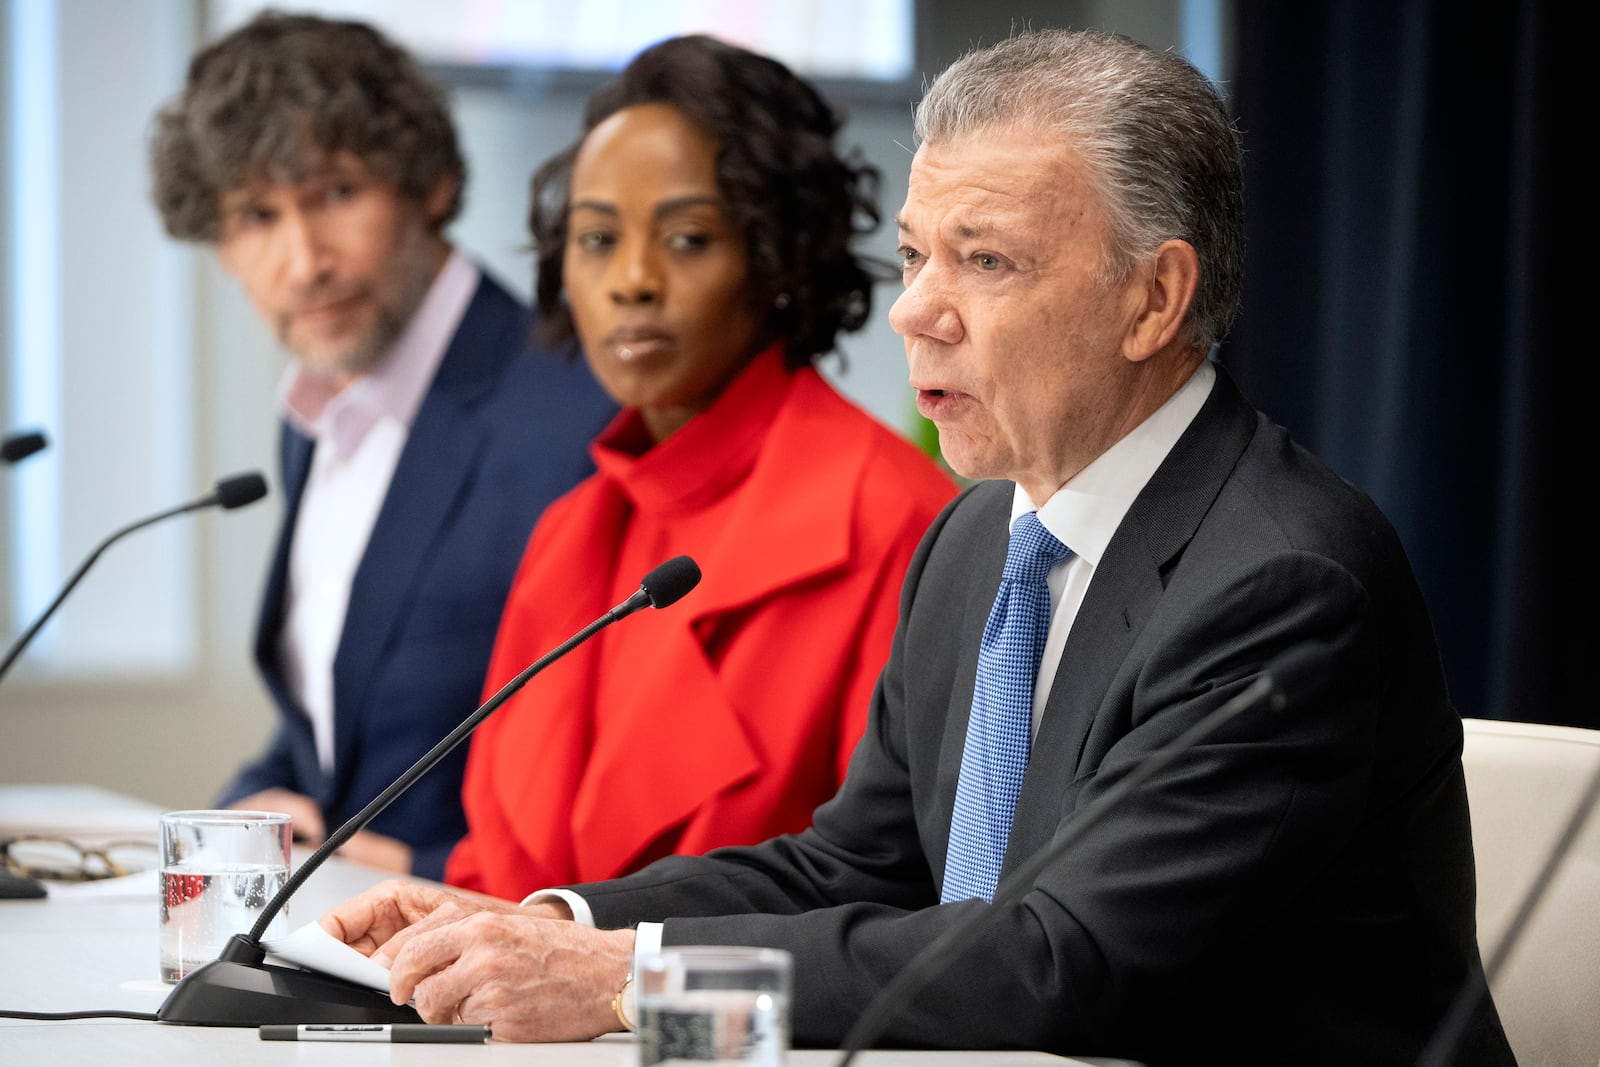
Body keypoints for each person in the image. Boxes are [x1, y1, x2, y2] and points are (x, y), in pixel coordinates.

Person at [321, 28, 1516, 1064]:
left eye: (983, 260)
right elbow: (849, 866)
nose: (914, 309)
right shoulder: (980, 536)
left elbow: (1058, 956)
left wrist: (627, 978)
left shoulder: (1282, 581)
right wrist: (547, 923)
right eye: (914, 254)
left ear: (1152, 301)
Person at [440, 35, 958, 901]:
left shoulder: (896, 523)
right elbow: (488, 871)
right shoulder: (568, 535)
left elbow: (894, 899)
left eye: (685, 239)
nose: (632, 280)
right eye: (596, 238)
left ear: (779, 258)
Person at [146, 12, 616, 879]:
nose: (303, 261)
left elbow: (622, 778)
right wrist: (249, 813)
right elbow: (337, 730)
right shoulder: (317, 412)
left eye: (335, 194)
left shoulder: (576, 416)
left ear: (429, 183)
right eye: (256, 216)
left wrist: (424, 869)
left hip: (498, 956)